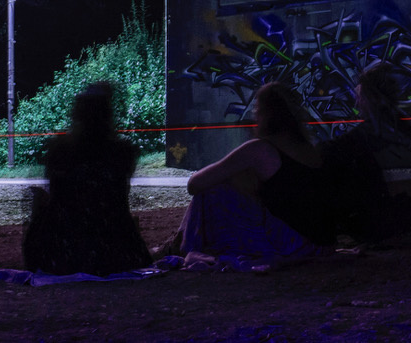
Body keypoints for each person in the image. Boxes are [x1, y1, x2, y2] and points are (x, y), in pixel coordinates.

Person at [162, 83, 335, 267]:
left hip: (291, 244)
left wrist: (229, 175)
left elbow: (194, 184)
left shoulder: (260, 149)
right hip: (319, 244)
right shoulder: (308, 149)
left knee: (212, 191)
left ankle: (184, 247)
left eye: (256, 109)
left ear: (266, 114)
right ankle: (184, 246)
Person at [22, 82, 152, 275]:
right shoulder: (123, 152)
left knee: (36, 197)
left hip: (63, 255)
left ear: (76, 115)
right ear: (109, 115)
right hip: (118, 253)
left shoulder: (59, 150)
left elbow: (57, 196)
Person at [321, 65, 411, 243]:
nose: (357, 104)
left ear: (372, 98)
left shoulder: (368, 134)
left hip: (388, 223)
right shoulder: (406, 129)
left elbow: (330, 151)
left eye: (360, 98)